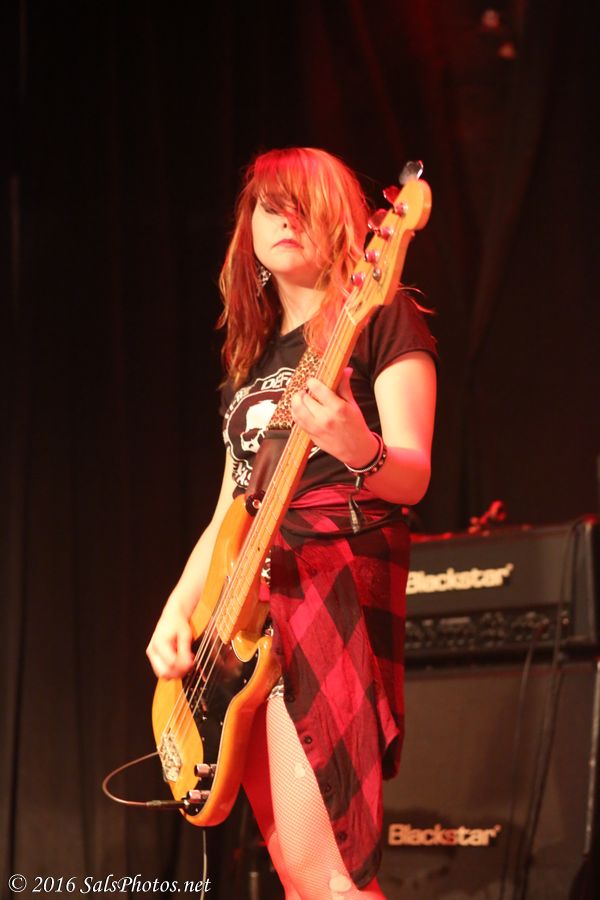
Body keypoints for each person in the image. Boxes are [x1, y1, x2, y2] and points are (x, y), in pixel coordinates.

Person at [146, 147, 437, 899]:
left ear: (344, 223)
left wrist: (359, 448)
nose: (283, 220)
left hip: (328, 587)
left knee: (334, 874)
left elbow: (413, 475)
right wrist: (179, 610)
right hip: (247, 609)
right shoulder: (251, 362)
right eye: (268, 207)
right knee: (301, 874)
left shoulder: (378, 315)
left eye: (302, 206)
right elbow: (230, 509)